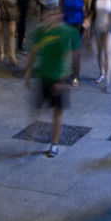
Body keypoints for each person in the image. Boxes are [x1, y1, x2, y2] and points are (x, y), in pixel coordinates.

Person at [23, 8, 79, 158]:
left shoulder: (68, 32)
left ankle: (54, 144)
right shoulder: (41, 31)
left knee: (57, 113)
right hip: (44, 76)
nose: (49, 18)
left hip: (59, 79)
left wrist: (66, 79)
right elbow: (34, 50)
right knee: (36, 109)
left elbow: (72, 56)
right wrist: (28, 72)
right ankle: (32, 139)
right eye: (47, 16)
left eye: (52, 15)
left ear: (59, 17)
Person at [59, 0, 90, 86]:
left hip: (77, 24)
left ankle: (75, 75)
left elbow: (87, 9)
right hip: (65, 23)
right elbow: (60, 8)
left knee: (75, 51)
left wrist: (87, 22)